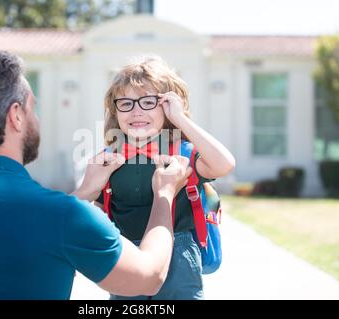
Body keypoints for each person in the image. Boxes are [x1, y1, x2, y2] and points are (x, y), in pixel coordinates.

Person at [0, 49, 192, 300]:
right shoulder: (64, 215)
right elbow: (149, 275)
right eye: (33, 108)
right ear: (16, 116)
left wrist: (84, 194)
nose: (36, 120)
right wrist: (164, 194)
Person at [95, 56, 236, 300]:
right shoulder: (108, 159)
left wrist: (181, 120)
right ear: (115, 110)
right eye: (126, 103)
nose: (137, 111)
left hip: (178, 255)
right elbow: (97, 207)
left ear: (167, 106)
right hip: (127, 255)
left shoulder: (182, 153)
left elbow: (224, 164)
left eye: (148, 102)